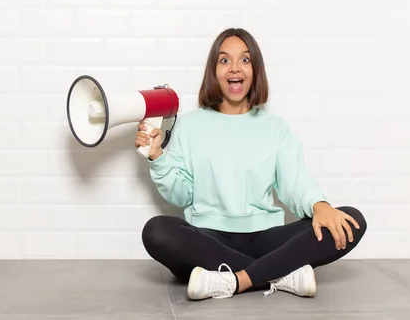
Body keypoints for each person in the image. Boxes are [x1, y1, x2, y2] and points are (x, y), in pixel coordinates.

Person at [136, 28, 367, 300]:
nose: (235, 68)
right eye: (225, 60)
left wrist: (321, 206)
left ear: (255, 69)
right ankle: (280, 273)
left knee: (352, 220)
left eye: (245, 60)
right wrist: (157, 157)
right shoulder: (190, 125)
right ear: (214, 70)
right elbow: (181, 195)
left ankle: (232, 279)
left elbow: (295, 184)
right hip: (209, 238)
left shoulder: (275, 128)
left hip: (266, 239)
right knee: (158, 231)